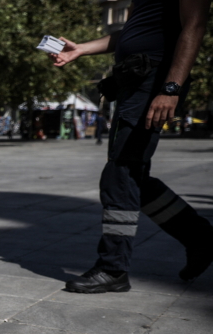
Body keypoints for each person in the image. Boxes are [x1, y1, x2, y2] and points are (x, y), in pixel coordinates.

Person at [52, 0, 213, 291]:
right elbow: (128, 32)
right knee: (133, 176)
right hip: (136, 79)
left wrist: (171, 89)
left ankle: (113, 268)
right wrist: (81, 49)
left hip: (153, 81)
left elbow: (195, 26)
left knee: (120, 173)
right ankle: (201, 238)